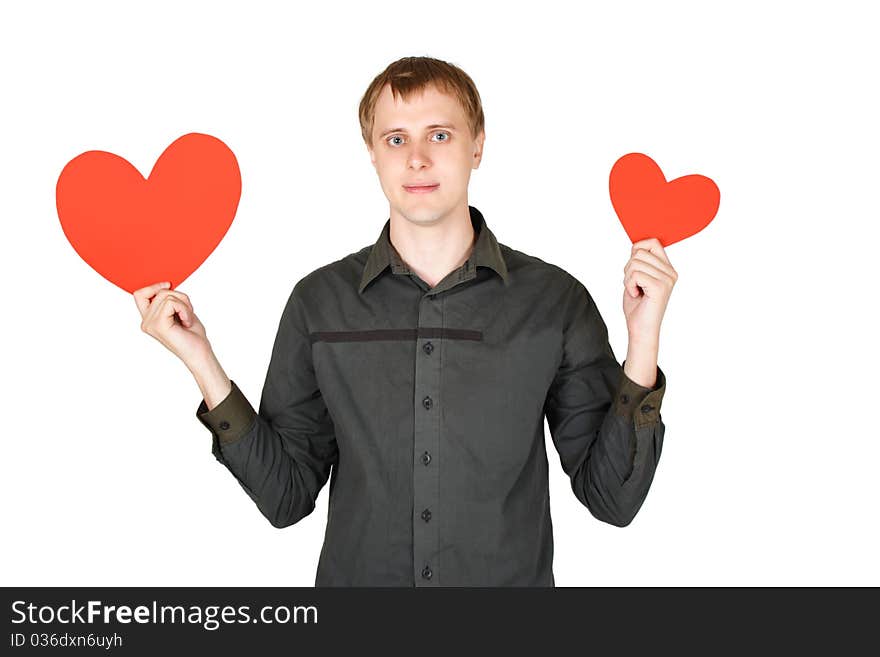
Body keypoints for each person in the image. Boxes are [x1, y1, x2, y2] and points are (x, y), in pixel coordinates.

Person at [134, 56, 677, 587]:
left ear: (478, 146)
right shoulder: (318, 303)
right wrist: (201, 362)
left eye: (439, 135)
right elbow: (285, 498)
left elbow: (612, 499)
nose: (416, 158)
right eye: (396, 139)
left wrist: (643, 336)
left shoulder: (555, 302)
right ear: (372, 153)